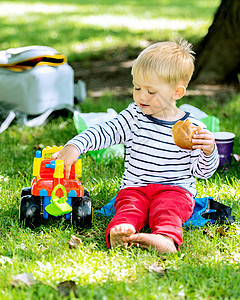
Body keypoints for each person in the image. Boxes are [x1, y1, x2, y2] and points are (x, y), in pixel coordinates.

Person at [52, 39, 219, 253]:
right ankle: (122, 233)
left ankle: (166, 239)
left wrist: (208, 151)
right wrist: (75, 146)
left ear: (177, 93)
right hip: (136, 187)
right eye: (137, 87)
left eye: (150, 91)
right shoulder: (134, 116)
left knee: (169, 210)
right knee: (128, 208)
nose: (141, 96)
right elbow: (105, 131)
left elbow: (202, 172)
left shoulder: (194, 128)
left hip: (175, 189)